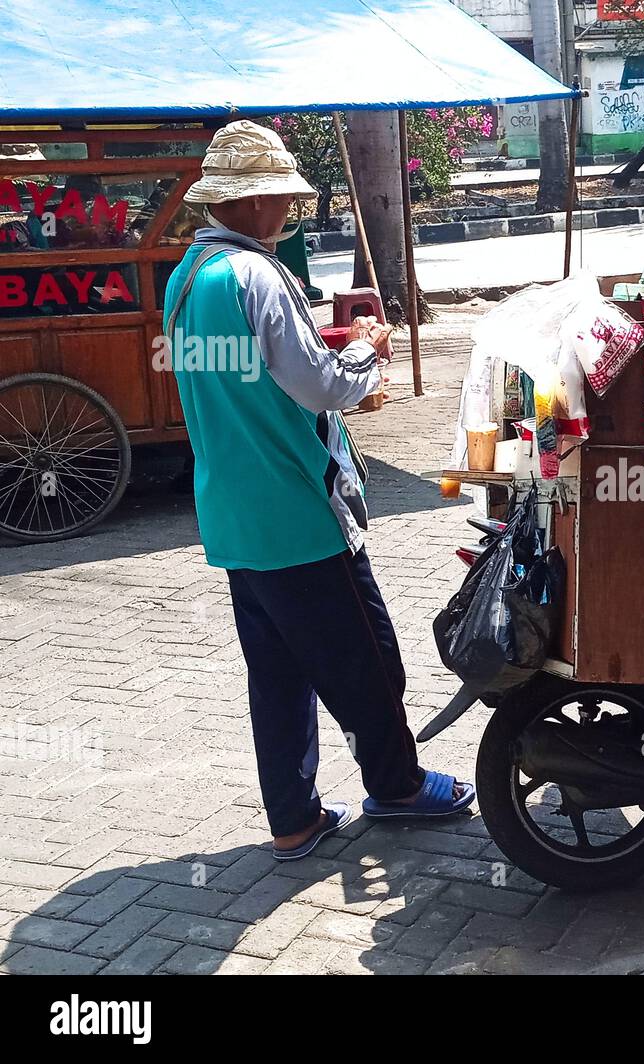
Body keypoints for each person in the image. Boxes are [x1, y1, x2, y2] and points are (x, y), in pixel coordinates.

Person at [164, 121, 474, 862]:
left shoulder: (185, 278)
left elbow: (250, 378)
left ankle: (294, 816)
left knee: (277, 674)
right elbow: (318, 387)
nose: (285, 214)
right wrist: (369, 350)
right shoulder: (256, 276)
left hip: (234, 513)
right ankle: (396, 786)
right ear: (256, 201)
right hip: (298, 511)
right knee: (367, 661)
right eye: (280, 199)